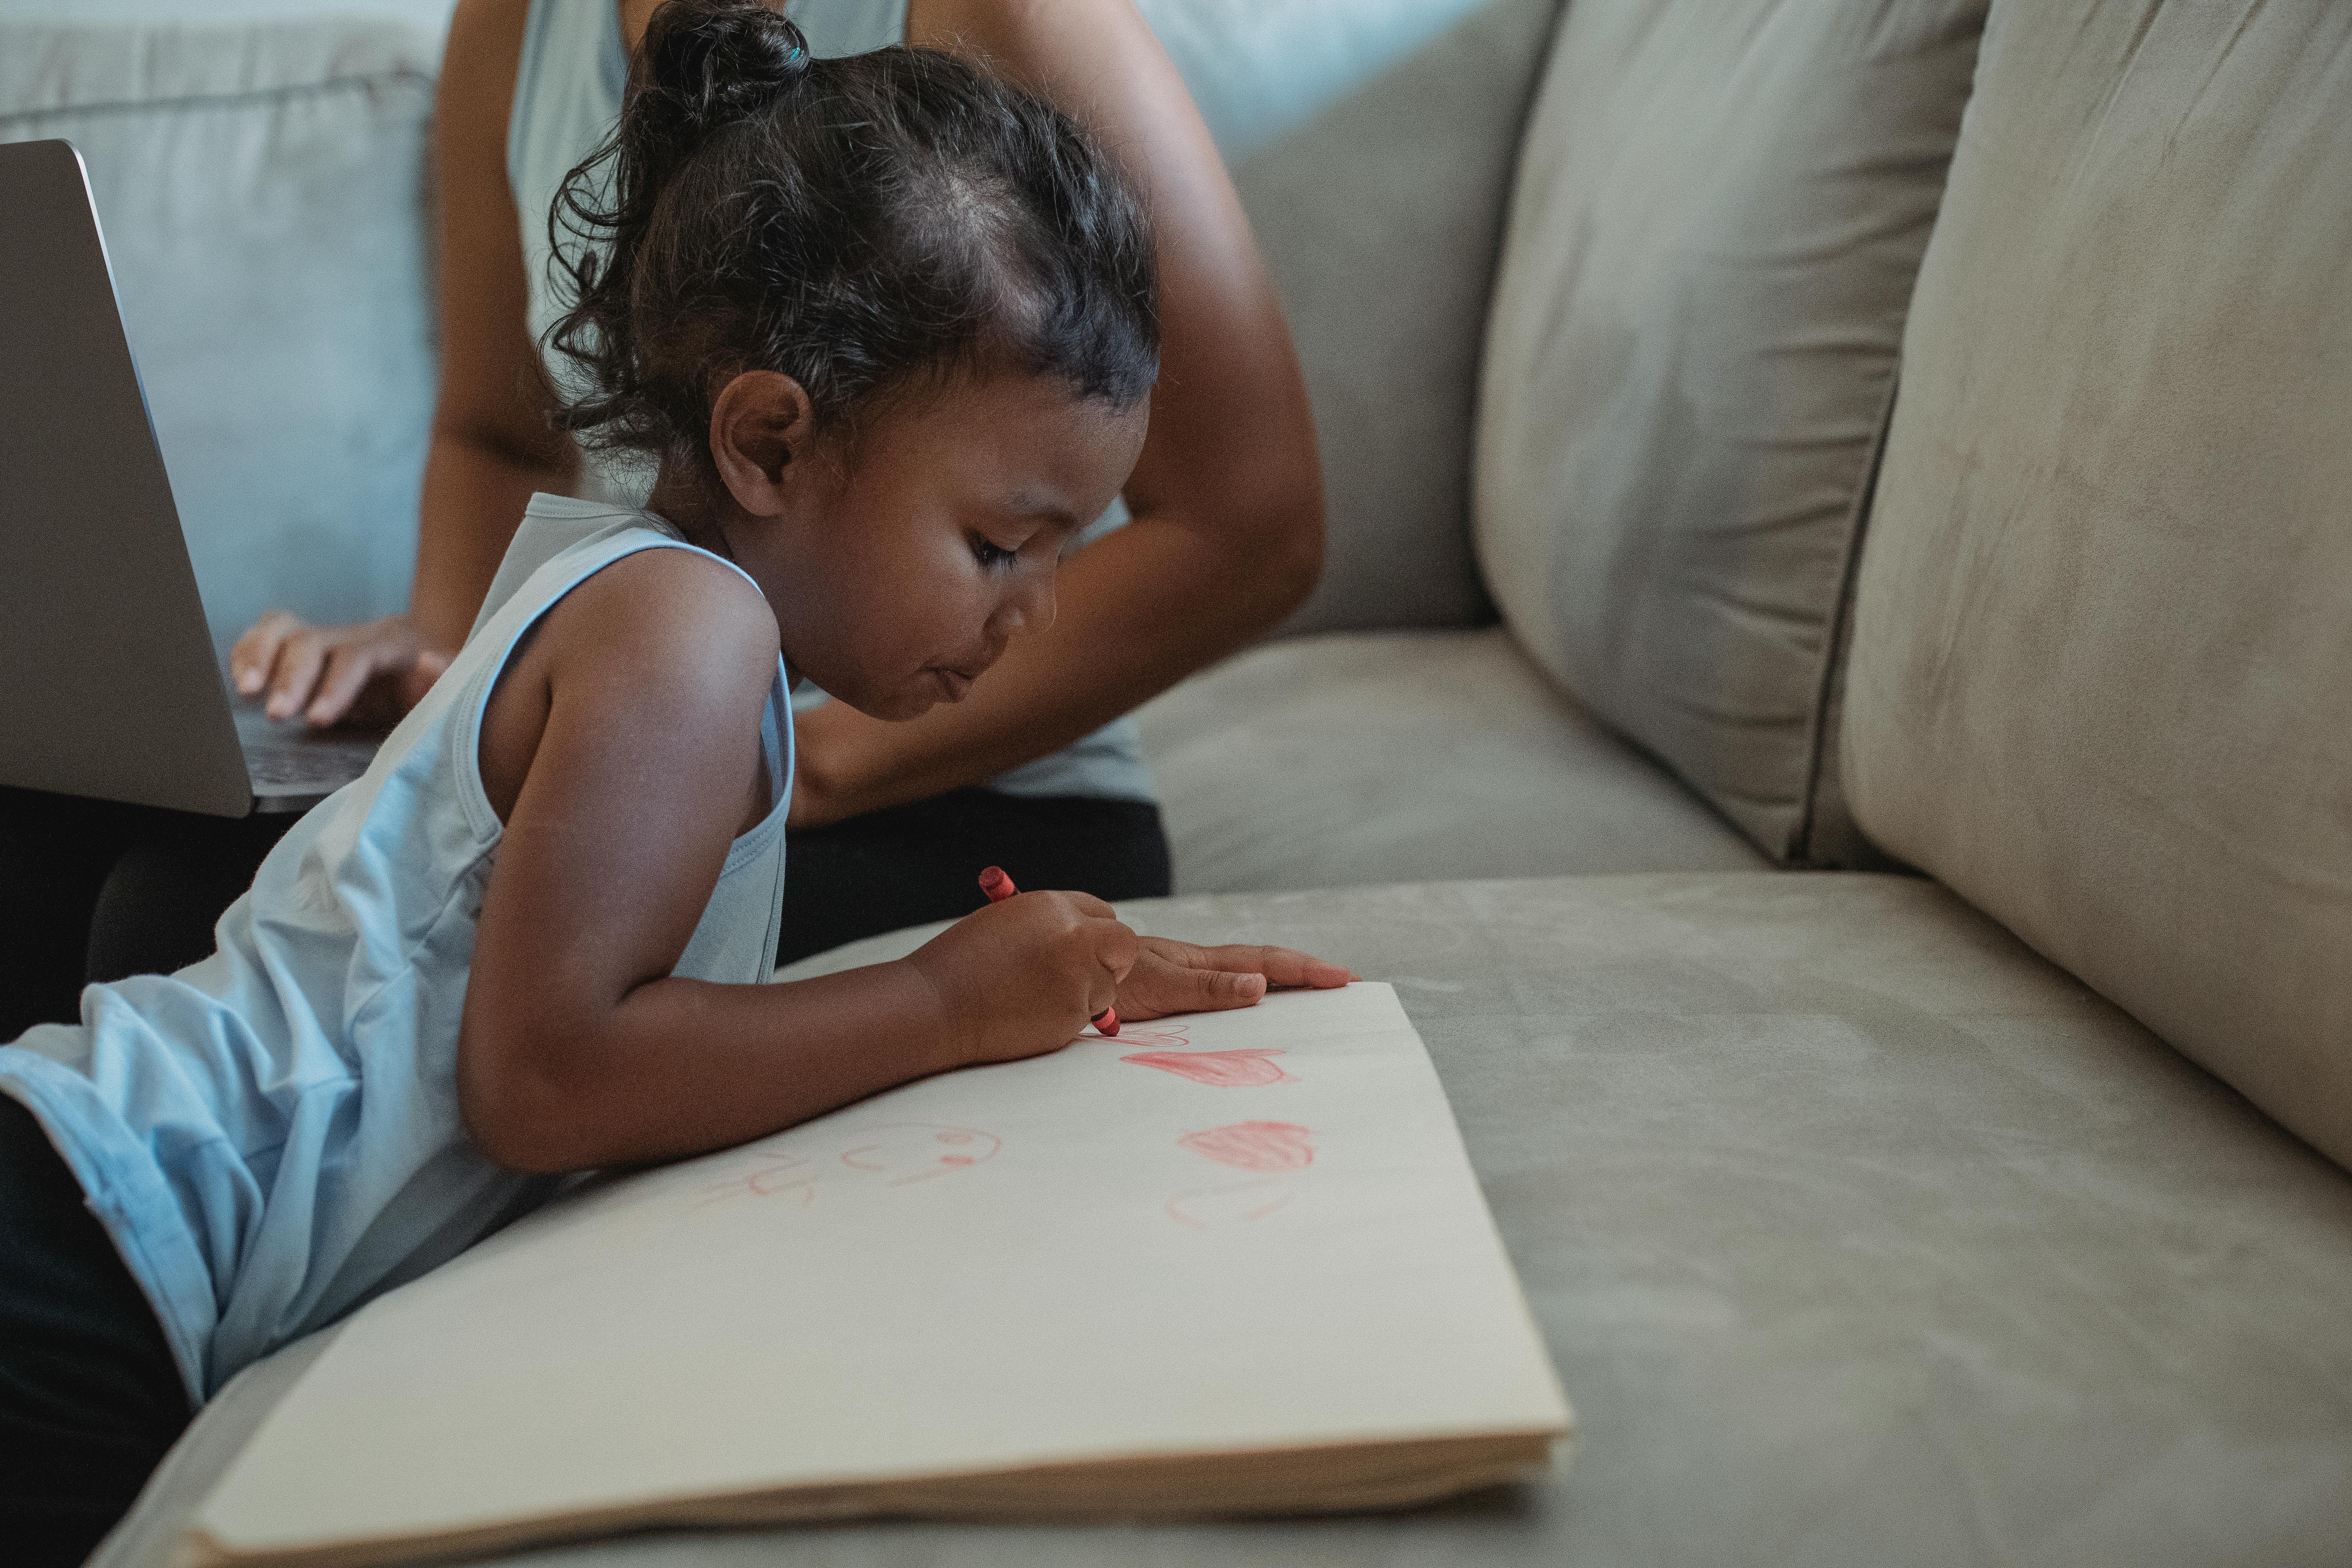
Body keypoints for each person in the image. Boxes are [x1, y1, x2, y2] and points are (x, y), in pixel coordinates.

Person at [0, 16, 1350, 1563]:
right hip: (88, 1260)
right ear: (771, 438)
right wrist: (948, 1001)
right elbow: (548, 1076)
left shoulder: (653, 605)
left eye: (1062, 552)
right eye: (999, 543)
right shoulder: (690, 638)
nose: (1039, 608)